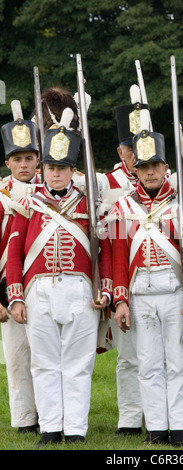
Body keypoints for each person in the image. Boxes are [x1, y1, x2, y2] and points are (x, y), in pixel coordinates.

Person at [6, 111, 112, 446]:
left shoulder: (89, 204)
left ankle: (76, 429)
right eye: (51, 168)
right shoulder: (27, 204)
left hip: (80, 289)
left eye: (62, 168)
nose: (56, 174)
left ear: (72, 171)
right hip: (39, 291)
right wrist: (16, 296)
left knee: (78, 364)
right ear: (44, 169)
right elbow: (14, 252)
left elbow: (104, 251)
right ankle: (51, 428)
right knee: (44, 363)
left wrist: (105, 290)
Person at [108, 118, 183, 447]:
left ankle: (180, 429)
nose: (150, 172)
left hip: (175, 291)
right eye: (144, 166)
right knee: (147, 363)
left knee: (178, 362)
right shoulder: (122, 207)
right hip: (139, 293)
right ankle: (156, 430)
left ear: (166, 167)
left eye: (156, 165)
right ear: (136, 169)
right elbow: (119, 257)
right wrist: (120, 300)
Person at [99, 98, 150, 437]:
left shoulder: (166, 179)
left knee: (163, 357)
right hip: (124, 280)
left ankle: (161, 416)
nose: (139, 154)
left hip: (160, 277)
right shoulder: (105, 183)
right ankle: (131, 419)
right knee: (130, 356)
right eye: (132, 148)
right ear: (121, 151)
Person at [0, 101, 41, 433]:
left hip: (43, 284)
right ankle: (25, 420)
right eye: (17, 159)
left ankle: (51, 417)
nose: (24, 164)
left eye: (29, 158)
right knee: (17, 358)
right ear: (7, 162)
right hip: (6, 287)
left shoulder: (52, 191)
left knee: (46, 357)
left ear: (38, 159)